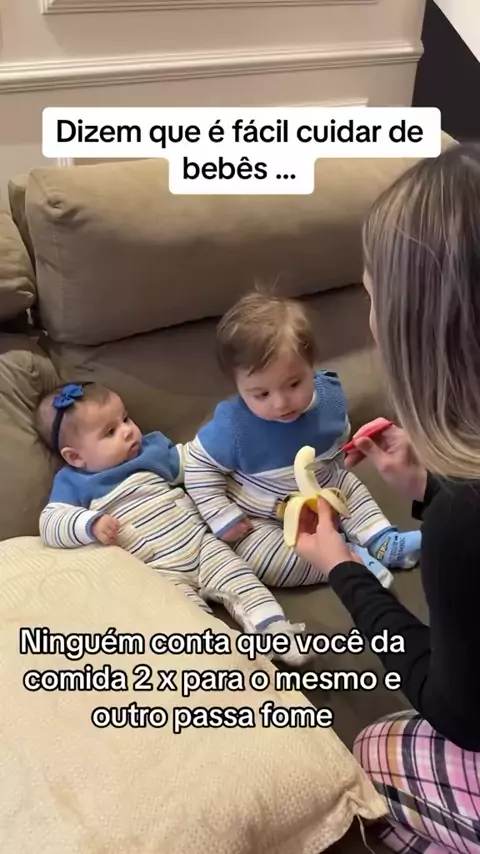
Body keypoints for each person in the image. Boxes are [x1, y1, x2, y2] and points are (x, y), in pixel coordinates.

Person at [294, 143, 480, 854]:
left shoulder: (465, 520)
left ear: (413, 324)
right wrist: (428, 488)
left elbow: (458, 713)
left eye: (371, 297)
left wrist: (342, 568)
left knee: (373, 751)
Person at [35, 381, 309, 666]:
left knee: (243, 581)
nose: (128, 430)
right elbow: (50, 521)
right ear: (76, 457)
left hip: (203, 546)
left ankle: (275, 632)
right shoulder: (74, 483)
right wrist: (89, 524)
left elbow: (195, 461)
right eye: (110, 432)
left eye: (125, 418)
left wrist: (225, 445)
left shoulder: (151, 451)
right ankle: (223, 663)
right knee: (184, 619)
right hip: (158, 570)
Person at [184, 291, 422, 597]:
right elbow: (197, 466)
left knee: (350, 485)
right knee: (260, 557)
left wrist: (347, 450)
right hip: (263, 514)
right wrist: (222, 515)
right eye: (261, 394)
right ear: (238, 386)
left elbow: (338, 437)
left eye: (294, 384)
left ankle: (384, 542)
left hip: (324, 487)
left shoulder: (329, 396)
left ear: (312, 365)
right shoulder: (232, 426)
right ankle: (348, 562)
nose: (281, 402)